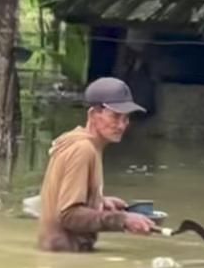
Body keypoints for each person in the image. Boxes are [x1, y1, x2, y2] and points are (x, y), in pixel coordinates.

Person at [37, 77, 155, 252]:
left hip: (60, 252)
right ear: (93, 115)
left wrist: (98, 201)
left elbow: (62, 201)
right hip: (66, 256)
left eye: (126, 118)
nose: (121, 125)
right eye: (115, 116)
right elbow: (69, 215)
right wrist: (122, 220)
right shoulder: (83, 149)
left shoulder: (83, 144)